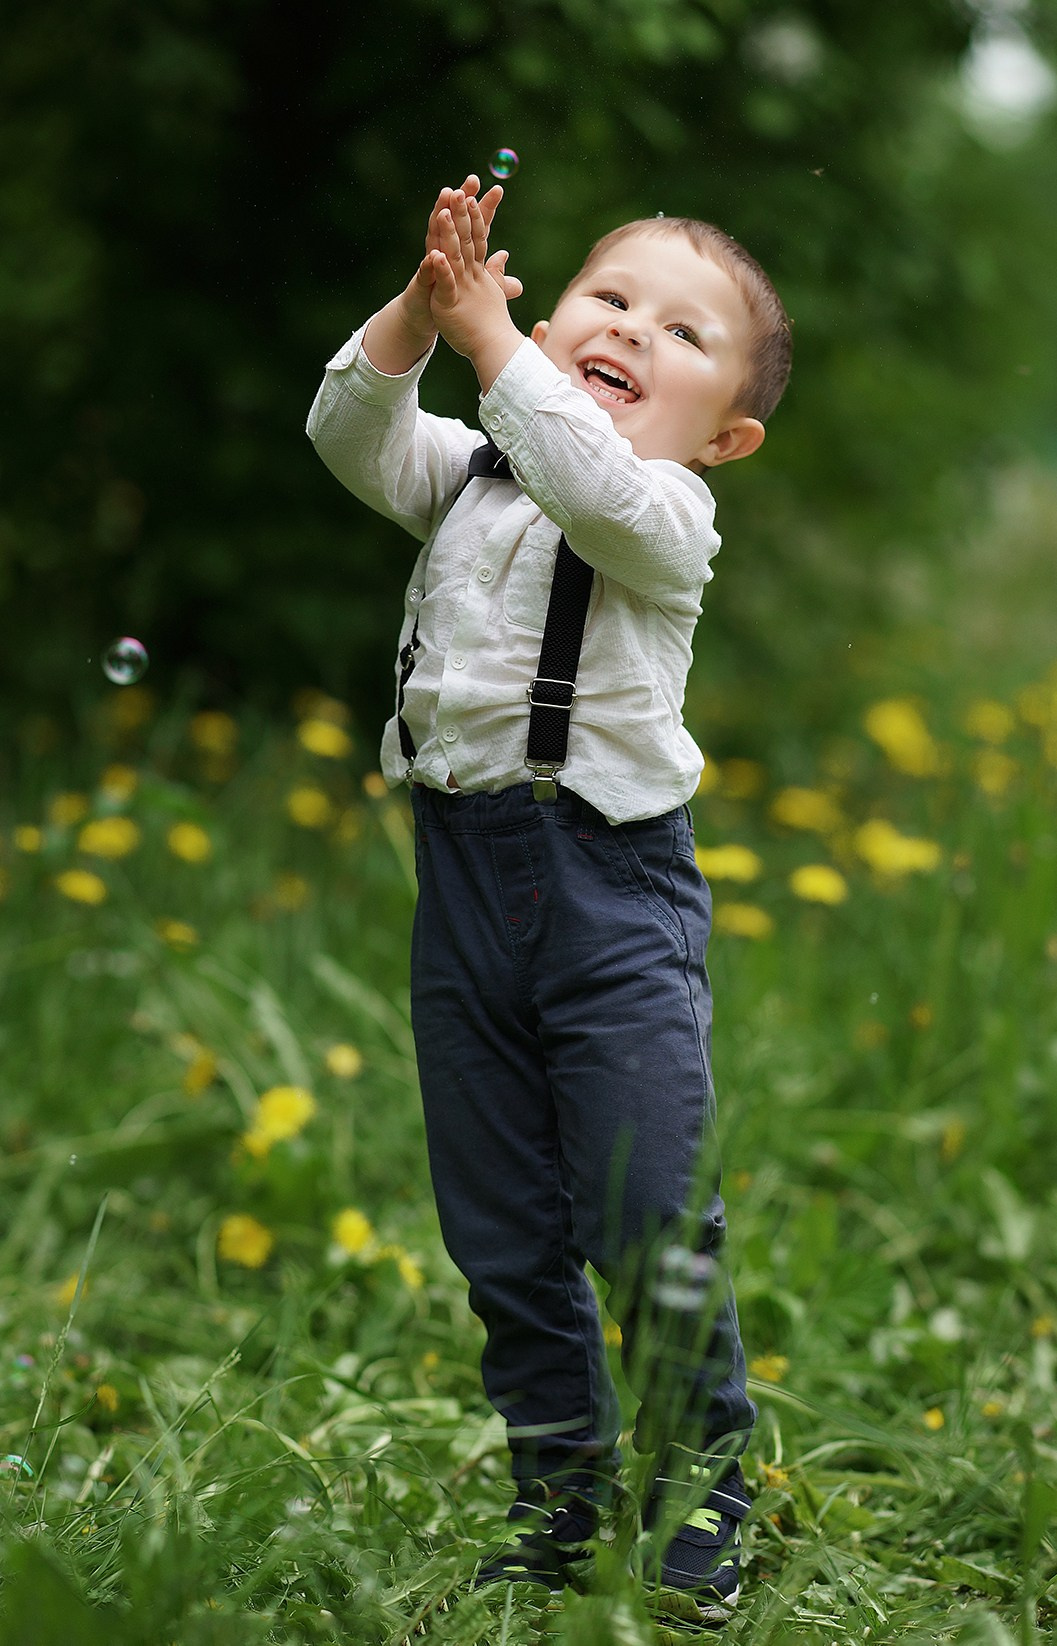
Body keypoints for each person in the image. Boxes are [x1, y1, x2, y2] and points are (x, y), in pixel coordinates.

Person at [307, 173, 791, 1626]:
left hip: (613, 898)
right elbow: (345, 430)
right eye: (608, 297)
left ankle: (706, 1476)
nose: (632, 327)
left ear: (727, 432)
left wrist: (502, 349)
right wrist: (421, 308)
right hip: (461, 882)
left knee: (643, 1209)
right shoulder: (464, 470)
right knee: (502, 1224)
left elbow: (586, 476)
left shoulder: (666, 513)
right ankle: (559, 1487)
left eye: (682, 330)